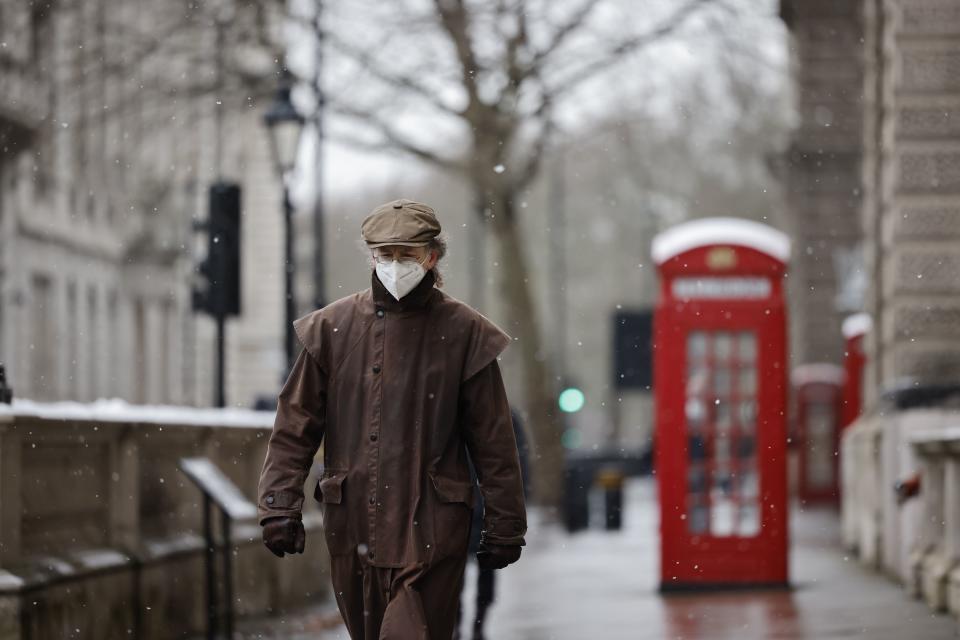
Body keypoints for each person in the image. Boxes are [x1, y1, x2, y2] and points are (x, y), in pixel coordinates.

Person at [256, 199, 527, 640]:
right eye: (386, 255)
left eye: (408, 254)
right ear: (372, 256)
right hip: (353, 522)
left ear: (432, 257)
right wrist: (278, 505)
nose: (396, 265)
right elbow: (294, 427)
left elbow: (493, 441)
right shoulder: (332, 329)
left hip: (433, 527)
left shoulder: (466, 334)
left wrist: (505, 524)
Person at [456, 409, 531, 640]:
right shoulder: (504, 415)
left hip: (476, 506)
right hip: (470, 505)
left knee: (471, 571)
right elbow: (519, 461)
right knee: (463, 573)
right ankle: (469, 624)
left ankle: (471, 624)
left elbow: (518, 462)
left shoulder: (503, 415)